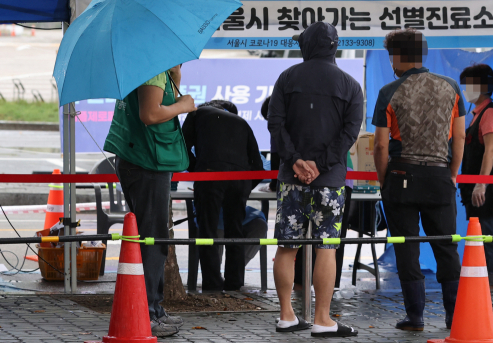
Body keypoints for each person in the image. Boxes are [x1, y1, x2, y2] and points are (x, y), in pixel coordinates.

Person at [268, 21, 363, 337]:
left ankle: (286, 315)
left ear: (305, 45)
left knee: (286, 246)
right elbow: (349, 134)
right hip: (330, 181)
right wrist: (320, 165)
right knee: (327, 246)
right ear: (335, 46)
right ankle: (323, 319)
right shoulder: (350, 86)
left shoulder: (286, 78)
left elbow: (276, 125)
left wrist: (296, 161)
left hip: (291, 178)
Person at [372, 29, 464, 331]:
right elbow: (459, 135)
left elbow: (380, 145)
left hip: (401, 176)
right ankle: (454, 315)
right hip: (439, 176)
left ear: (398, 56)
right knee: (446, 247)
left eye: (391, 57)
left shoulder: (389, 91)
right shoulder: (451, 88)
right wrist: (451, 174)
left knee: (406, 248)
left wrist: (384, 180)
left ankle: (415, 317)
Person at [104, 65, 196, 337]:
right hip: (147, 162)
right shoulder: (151, 69)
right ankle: (147, 313)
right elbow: (150, 113)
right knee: (153, 240)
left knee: (152, 238)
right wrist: (183, 106)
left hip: (138, 158)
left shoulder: (150, 67)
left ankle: (154, 309)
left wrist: (175, 76)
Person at [182, 99, 264, 291]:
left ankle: (212, 284)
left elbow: (181, 149)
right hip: (240, 180)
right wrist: (243, 188)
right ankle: (234, 284)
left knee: (207, 232)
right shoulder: (242, 122)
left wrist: (198, 173)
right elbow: (258, 167)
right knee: (235, 231)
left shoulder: (196, 114)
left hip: (210, 176)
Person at [458, 64, 493, 288]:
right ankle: (483, 280)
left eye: (469, 85)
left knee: (491, 236)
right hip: (475, 189)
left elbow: (491, 150)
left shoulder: (489, 114)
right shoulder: (475, 115)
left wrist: (481, 184)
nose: (466, 90)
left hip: (488, 190)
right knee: (480, 236)